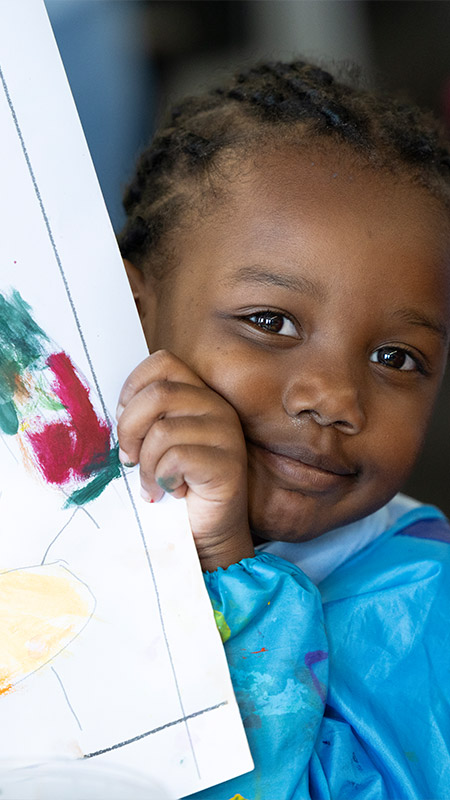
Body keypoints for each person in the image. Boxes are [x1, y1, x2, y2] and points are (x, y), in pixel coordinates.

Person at [116, 61, 450, 799]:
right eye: (270, 322)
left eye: (396, 357)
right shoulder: (41, 497)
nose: (334, 397)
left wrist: (221, 566)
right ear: (133, 306)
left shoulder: (425, 604)